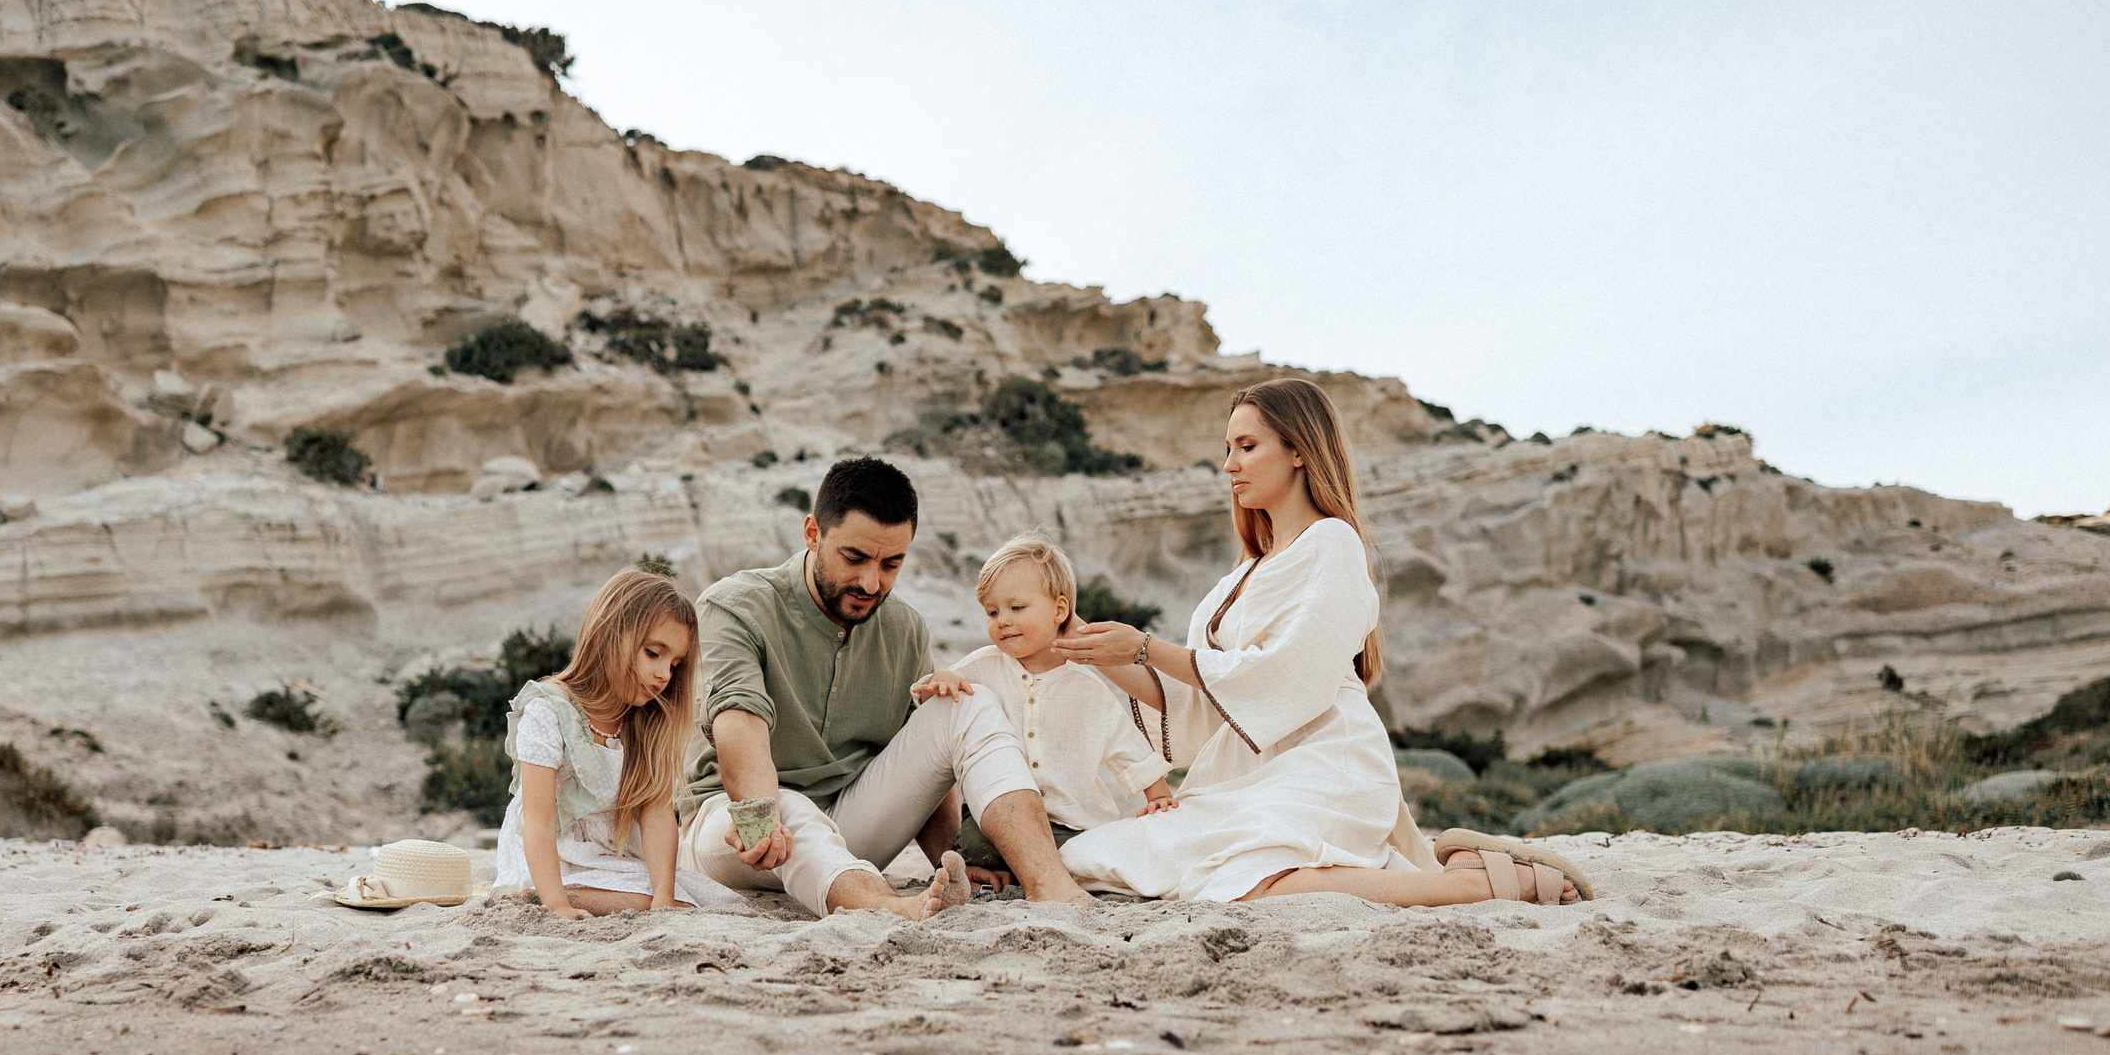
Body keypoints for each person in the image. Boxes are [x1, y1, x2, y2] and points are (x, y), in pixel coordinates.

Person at [1052, 377, 1593, 907]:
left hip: (1326, 764)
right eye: (1227, 449)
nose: (1230, 465)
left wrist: (1145, 647)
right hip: (1246, 775)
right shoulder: (1239, 577)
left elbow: (1286, 674)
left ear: (1298, 451)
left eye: (1247, 446)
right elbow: (1199, 700)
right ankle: (1447, 871)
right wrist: (1082, 640)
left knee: (1240, 883)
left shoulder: (1333, 543)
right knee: (1090, 858)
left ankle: (1471, 886)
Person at [680, 457, 1090, 918]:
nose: (871, 582)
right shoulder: (735, 607)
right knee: (788, 806)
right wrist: (760, 817)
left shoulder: (906, 629)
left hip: (849, 829)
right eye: (854, 558)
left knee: (965, 703)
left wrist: (949, 860)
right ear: (813, 533)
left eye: (891, 564)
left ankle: (1049, 883)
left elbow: (927, 761)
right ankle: (888, 907)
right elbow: (741, 722)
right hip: (739, 829)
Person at [914, 531, 1175, 893]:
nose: (1002, 620)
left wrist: (1157, 794)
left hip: (1072, 822)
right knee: (974, 844)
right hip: (999, 820)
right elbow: (932, 698)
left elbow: (1126, 746)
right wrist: (939, 681)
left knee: (1088, 851)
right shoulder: (982, 667)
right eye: (992, 612)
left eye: (1016, 608)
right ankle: (1001, 869)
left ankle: (1036, 871)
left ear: (1059, 610)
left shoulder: (1087, 688)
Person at [497, 569, 745, 917]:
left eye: (675, 665)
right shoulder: (548, 711)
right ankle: (547, 895)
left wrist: (663, 896)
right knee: (640, 902)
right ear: (609, 633)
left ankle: (591, 895)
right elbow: (539, 822)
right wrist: (557, 904)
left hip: (613, 852)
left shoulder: (647, 722)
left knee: (694, 900)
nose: (664, 674)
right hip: (551, 855)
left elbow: (657, 813)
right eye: (653, 653)